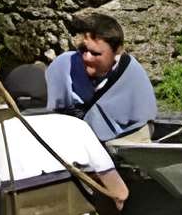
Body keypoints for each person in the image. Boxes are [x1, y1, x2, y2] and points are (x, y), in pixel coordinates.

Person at [41, 12, 158, 145]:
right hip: (71, 137)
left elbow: (142, 123)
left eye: (96, 53)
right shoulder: (65, 65)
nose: (87, 57)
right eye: (83, 50)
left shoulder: (132, 75)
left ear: (117, 52)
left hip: (123, 136)